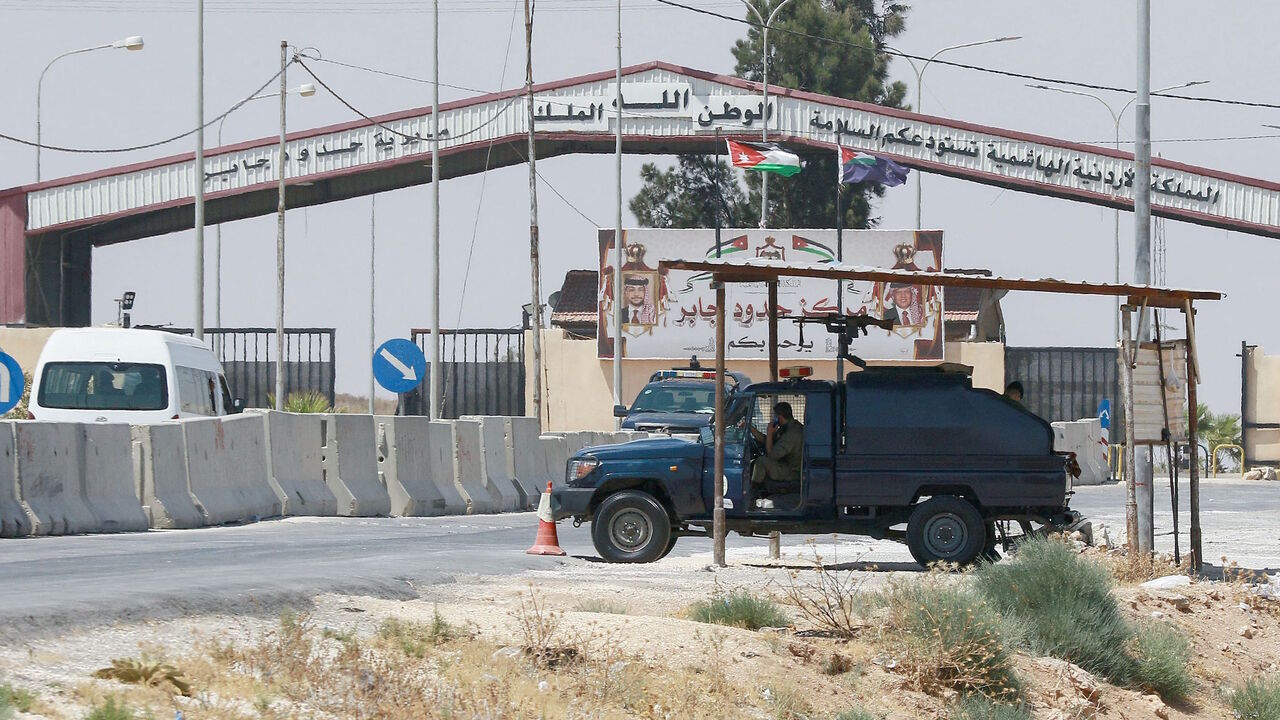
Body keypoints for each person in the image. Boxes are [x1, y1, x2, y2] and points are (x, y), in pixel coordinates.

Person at [744, 401, 804, 509]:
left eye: (775, 416)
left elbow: (771, 455)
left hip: (792, 471)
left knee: (761, 461)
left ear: (779, 417)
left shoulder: (792, 434)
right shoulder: (787, 428)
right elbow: (766, 440)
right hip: (786, 464)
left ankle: (752, 494)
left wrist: (770, 432)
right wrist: (750, 428)